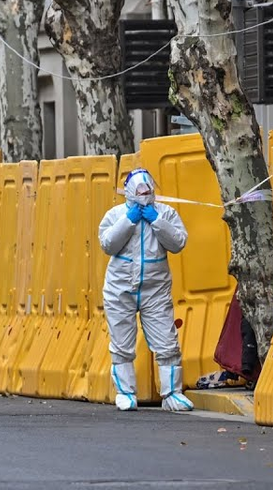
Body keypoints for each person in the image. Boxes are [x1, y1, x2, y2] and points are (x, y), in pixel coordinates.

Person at [98, 168, 194, 412]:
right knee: (121, 343)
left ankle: (172, 393)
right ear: (130, 191)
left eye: (148, 190)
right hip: (120, 288)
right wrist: (128, 221)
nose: (144, 194)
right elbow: (108, 244)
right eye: (140, 191)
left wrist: (157, 221)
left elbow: (178, 242)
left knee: (166, 341)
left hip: (155, 289)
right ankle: (126, 392)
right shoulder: (116, 215)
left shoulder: (165, 213)